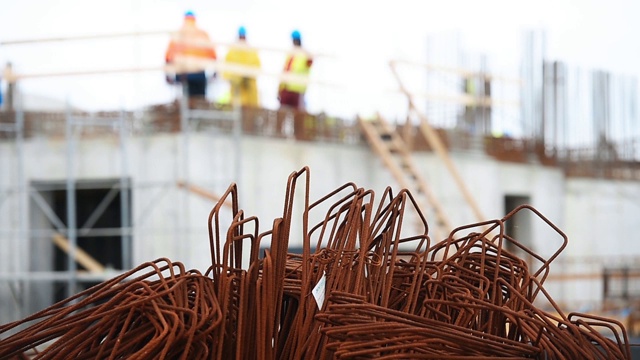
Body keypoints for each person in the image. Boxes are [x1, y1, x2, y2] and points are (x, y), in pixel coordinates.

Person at [164, 11, 217, 98]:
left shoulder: (178, 34)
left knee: (184, 100)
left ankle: (185, 108)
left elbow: (168, 57)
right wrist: (215, 73)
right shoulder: (202, 34)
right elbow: (213, 56)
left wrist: (167, 75)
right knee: (199, 100)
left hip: (182, 74)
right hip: (199, 74)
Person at [278, 30, 313, 140]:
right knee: (282, 114)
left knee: (297, 116)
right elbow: (285, 71)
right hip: (287, 89)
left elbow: (310, 61)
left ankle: (298, 136)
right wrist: (279, 88)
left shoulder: (304, 54)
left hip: (297, 90)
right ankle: (280, 135)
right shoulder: (291, 54)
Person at [224, 26, 261, 107]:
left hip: (249, 92)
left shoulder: (250, 51)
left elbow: (257, 68)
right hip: (237, 91)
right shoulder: (234, 51)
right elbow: (226, 70)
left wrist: (246, 76)